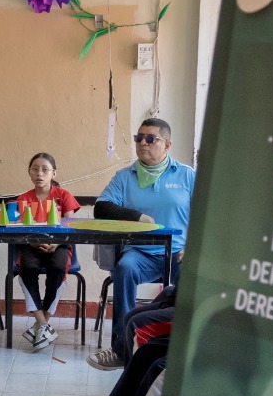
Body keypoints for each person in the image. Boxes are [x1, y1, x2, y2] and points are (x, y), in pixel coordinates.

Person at [89, 117, 194, 370]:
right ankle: (121, 350)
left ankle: (180, 350)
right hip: (140, 253)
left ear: (167, 144)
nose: (142, 143)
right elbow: (101, 207)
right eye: (139, 138)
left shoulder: (186, 175)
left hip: (179, 252)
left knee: (193, 277)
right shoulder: (125, 177)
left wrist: (193, 248)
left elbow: (209, 213)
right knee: (124, 269)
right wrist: (137, 217)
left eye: (150, 139)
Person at [13, 152, 81, 351]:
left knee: (58, 267)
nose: (39, 174)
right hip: (30, 245)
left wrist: (57, 244)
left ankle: (41, 324)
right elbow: (19, 228)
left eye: (45, 169)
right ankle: (44, 325)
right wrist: (33, 243)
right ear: (29, 172)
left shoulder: (64, 196)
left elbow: (69, 227)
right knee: (27, 267)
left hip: (59, 244)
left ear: (54, 173)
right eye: (35, 169)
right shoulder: (23, 198)